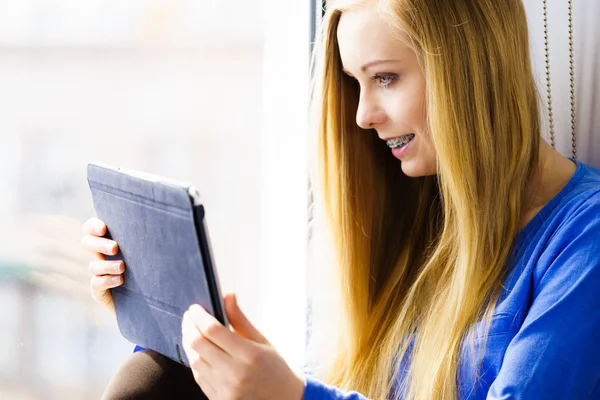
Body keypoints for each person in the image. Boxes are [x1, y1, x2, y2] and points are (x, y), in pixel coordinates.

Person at [82, 0, 600, 399]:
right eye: (356, 83)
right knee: (155, 373)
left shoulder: (584, 238)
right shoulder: (413, 223)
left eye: (385, 78)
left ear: (470, 71)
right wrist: (162, 313)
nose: (362, 116)